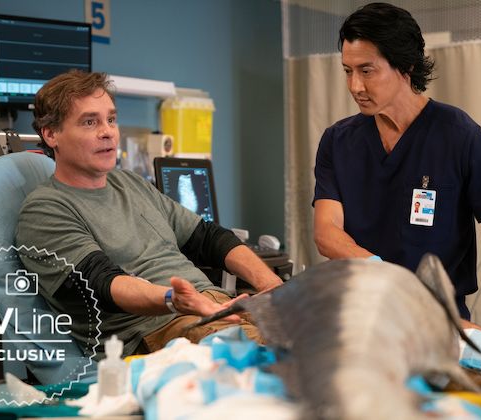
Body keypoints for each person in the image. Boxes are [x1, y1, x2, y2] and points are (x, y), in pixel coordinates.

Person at [312, 2, 481, 402]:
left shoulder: (457, 136)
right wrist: (389, 277)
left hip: (443, 326)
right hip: (363, 321)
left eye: (366, 71)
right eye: (347, 71)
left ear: (405, 66)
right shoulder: (338, 141)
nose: (354, 86)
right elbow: (326, 233)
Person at [16, 70, 283, 358]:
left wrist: (271, 285)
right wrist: (174, 299)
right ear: (51, 134)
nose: (107, 131)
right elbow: (103, 285)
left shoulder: (130, 183)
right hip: (158, 329)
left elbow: (208, 237)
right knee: (289, 360)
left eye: (111, 119)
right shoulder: (45, 209)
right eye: (90, 122)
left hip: (215, 306)